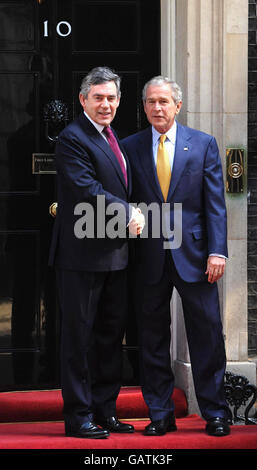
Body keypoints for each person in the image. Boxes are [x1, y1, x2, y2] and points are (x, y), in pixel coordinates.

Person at [122, 76, 230, 437]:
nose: (157, 108)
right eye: (151, 102)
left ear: (178, 106)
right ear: (144, 106)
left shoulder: (203, 144)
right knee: (152, 337)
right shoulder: (130, 147)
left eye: (164, 102)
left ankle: (215, 412)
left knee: (207, 334)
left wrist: (218, 251)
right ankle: (160, 414)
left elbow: (215, 204)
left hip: (197, 256)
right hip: (148, 256)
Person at [49, 66, 144, 439]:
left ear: (119, 101)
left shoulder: (112, 136)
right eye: (99, 97)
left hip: (115, 256)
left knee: (109, 338)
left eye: (112, 98)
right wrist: (129, 213)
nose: (106, 104)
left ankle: (105, 411)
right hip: (80, 258)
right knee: (79, 340)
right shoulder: (72, 139)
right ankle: (78, 417)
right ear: (83, 99)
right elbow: (87, 190)